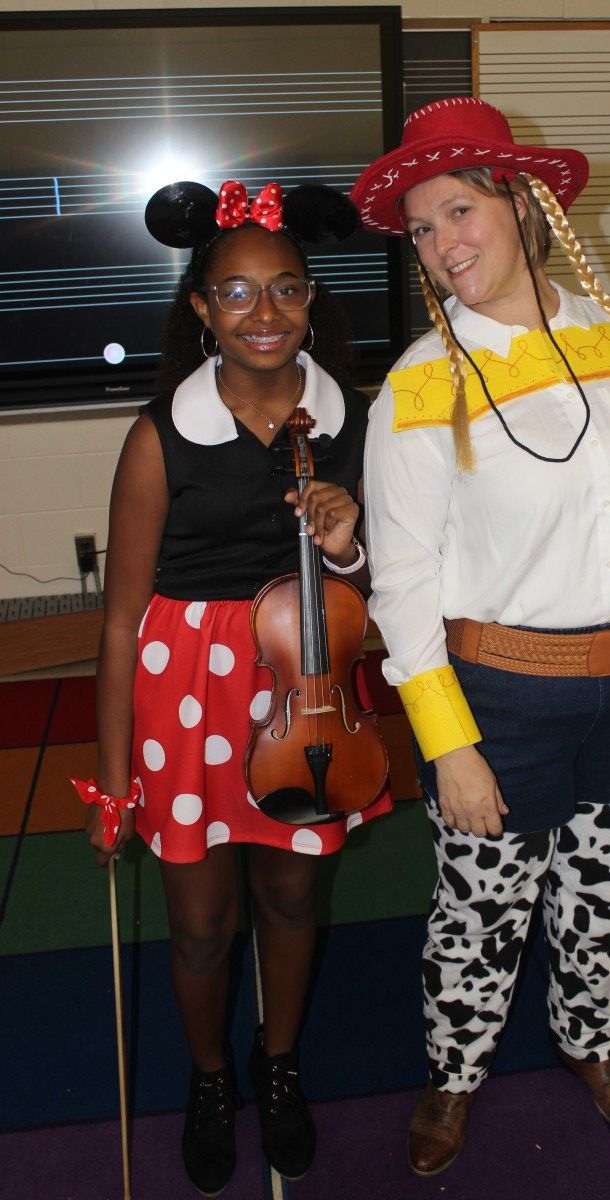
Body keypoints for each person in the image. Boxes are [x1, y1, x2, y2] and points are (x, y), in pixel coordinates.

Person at [350, 96, 610, 1176]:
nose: (440, 243)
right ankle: (454, 1072)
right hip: (501, 698)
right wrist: (448, 743)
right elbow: (404, 583)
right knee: (477, 914)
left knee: (604, 891)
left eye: (458, 210)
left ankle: (590, 1045)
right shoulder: (419, 391)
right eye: (421, 228)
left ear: (517, 206)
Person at [73, 178, 391, 1195]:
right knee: (203, 922)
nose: (266, 313)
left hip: (306, 692)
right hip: (183, 700)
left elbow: (382, 599)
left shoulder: (356, 422)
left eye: (286, 289)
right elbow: (121, 621)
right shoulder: (158, 435)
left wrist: (346, 549)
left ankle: (280, 1061)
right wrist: (115, 781)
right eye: (238, 294)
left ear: (312, 298)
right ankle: (210, 1079)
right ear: (202, 310)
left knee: (294, 894)